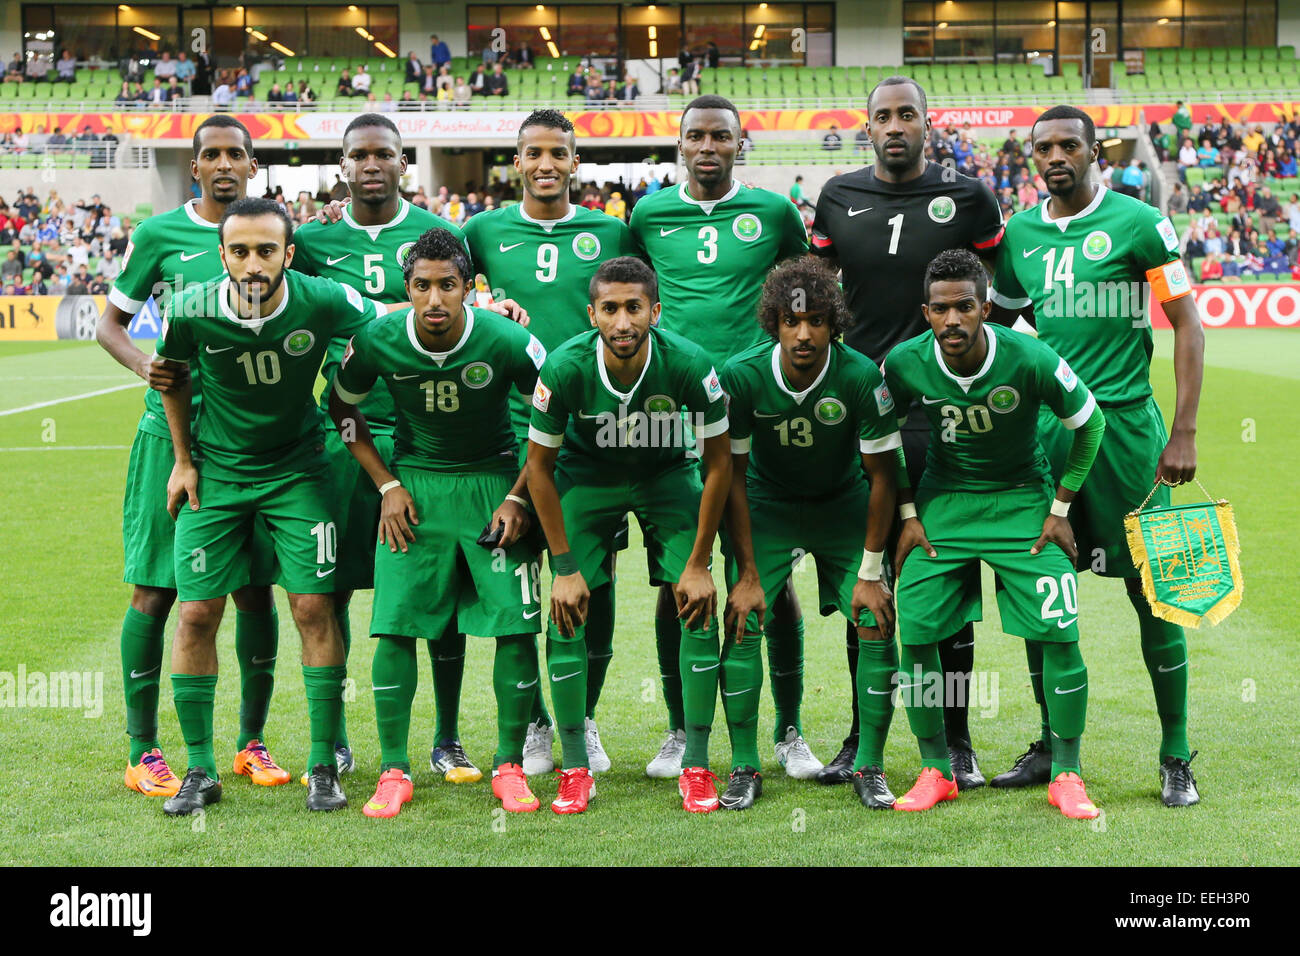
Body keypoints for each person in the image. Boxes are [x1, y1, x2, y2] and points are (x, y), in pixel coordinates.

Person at [990, 104, 1205, 807]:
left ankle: (1175, 754)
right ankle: (1051, 745)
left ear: (1094, 153)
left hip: (1128, 434)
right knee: (1043, 593)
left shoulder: (1139, 223)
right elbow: (1003, 327)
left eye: (1069, 146)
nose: (1056, 157)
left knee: (1155, 596)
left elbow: (1187, 323)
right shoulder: (1019, 234)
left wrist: (1184, 431)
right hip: (1050, 437)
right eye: (1043, 148)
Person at [151, 198, 392, 815]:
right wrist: (183, 460)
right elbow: (172, 378)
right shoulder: (191, 307)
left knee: (312, 606)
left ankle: (322, 766)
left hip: (298, 471)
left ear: (288, 253)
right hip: (219, 474)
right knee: (196, 613)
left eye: (266, 251)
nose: (253, 264)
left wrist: (482, 307)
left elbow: (390, 314)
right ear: (222, 255)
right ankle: (200, 769)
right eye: (239, 251)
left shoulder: (322, 299)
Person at [809, 74, 1006, 787]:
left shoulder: (970, 197)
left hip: (942, 417)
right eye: (883, 116)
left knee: (943, 577)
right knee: (867, 581)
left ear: (928, 123)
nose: (895, 126)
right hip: (861, 412)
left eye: (907, 115)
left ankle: (956, 741)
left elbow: (999, 300)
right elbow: (817, 298)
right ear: (867, 127)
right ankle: (861, 737)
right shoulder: (837, 196)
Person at [93, 117, 286, 802]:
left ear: (253, 165)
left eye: (236, 153)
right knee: (157, 590)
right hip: (168, 441)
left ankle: (251, 743)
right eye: (211, 154)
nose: (224, 163)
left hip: (249, 444)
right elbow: (109, 324)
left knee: (255, 590)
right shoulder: (159, 235)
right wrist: (146, 366)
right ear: (195, 166)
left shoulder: (273, 234)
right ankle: (142, 750)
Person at [325, 226, 547, 817]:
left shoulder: (507, 339)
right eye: (422, 286)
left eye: (447, 285)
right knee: (395, 626)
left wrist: (520, 496)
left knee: (516, 626)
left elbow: (555, 415)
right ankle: (394, 771)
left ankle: (509, 766)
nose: (434, 300)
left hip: (494, 488)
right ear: (407, 288)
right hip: (414, 492)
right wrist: (386, 484)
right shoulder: (377, 339)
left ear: (469, 287)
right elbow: (341, 407)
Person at [292, 113, 482, 782]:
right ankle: (337, 738)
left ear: (404, 163)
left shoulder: (441, 237)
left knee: (440, 591)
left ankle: (448, 737)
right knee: (333, 588)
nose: (371, 164)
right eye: (359, 155)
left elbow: (474, 314)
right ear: (342, 165)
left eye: (384, 154)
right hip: (342, 436)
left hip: (425, 439)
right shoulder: (309, 241)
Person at [885, 249, 1106, 818]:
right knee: (916, 633)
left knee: (1060, 632)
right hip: (944, 505)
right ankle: (936, 769)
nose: (952, 319)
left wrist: (1060, 508)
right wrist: (908, 513)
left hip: (1023, 501)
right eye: (940, 309)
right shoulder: (904, 363)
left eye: (964, 306)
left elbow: (1091, 423)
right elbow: (881, 439)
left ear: (986, 308)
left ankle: (1067, 772)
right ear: (926, 313)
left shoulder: (1029, 356)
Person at [629, 95, 811, 779]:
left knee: (768, 573)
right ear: (679, 144)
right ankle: (681, 727)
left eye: (721, 136)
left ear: (741, 143)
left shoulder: (775, 212)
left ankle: (789, 730)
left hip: (756, 410)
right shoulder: (648, 214)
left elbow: (805, 290)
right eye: (696, 136)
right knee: (680, 573)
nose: (708, 147)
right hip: (675, 416)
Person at [462, 109, 641, 774]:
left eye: (557, 153)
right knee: (523, 576)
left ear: (574, 161)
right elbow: (440, 290)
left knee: (597, 575)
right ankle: (537, 722)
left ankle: (581, 718)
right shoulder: (482, 230)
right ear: (516, 161)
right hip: (510, 426)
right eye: (533, 152)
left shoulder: (612, 230)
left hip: (595, 429)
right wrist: (485, 307)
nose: (545, 164)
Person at [526, 256, 733, 813]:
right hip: (588, 476)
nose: (623, 322)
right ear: (591, 313)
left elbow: (719, 464)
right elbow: (539, 470)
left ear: (655, 312)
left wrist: (699, 563)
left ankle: (696, 763)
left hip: (665, 473)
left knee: (695, 600)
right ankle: (575, 767)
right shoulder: (564, 367)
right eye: (611, 309)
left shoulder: (690, 363)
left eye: (634, 308)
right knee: (567, 607)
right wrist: (564, 568)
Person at [719, 257, 902, 810]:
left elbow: (883, 478)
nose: (803, 334)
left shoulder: (860, 376)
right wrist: (747, 572)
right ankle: (744, 765)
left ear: (834, 324)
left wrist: (870, 572)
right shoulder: (742, 375)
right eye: (792, 321)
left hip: (841, 506)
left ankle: (869, 765)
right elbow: (731, 478)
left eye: (817, 321)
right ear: (773, 322)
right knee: (744, 616)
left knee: (875, 618)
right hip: (767, 507)